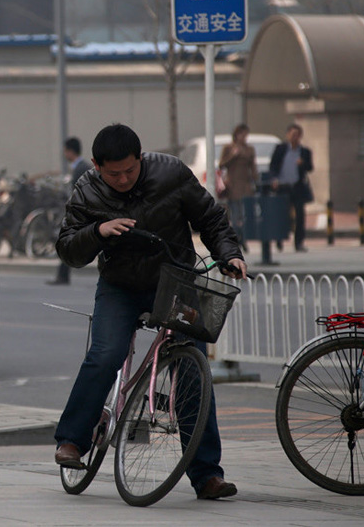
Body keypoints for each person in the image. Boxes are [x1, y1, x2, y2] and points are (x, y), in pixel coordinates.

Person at [52, 124, 247, 500]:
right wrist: (98, 231)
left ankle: (207, 475)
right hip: (120, 288)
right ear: (96, 166)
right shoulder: (87, 189)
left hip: (176, 285)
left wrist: (230, 254)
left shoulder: (171, 172)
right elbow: (68, 250)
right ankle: (72, 442)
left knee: (192, 370)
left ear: (141, 158)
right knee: (105, 354)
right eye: (113, 173)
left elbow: (211, 218)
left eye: (130, 170)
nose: (123, 179)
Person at [46, 137, 92, 286]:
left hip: (82, 213)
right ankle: (63, 275)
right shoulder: (80, 167)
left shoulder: (81, 168)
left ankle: (63, 276)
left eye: (65, 151)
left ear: (70, 151)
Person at [269, 123, 313, 253]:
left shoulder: (304, 152)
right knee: (282, 215)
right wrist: (274, 179)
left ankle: (299, 242)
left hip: (297, 187)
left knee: (300, 215)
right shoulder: (281, 149)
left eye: (297, 135)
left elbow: (310, 167)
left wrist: (302, 164)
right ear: (288, 135)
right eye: (292, 134)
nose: (294, 137)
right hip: (283, 187)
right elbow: (273, 166)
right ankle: (279, 240)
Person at [218, 123, 258, 251]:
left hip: (245, 185)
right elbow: (221, 164)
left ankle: (243, 239)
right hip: (233, 185)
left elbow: (253, 166)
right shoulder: (229, 148)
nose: (244, 137)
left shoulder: (249, 149)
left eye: (245, 134)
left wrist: (255, 181)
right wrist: (233, 155)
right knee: (235, 216)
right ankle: (237, 240)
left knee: (245, 216)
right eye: (241, 134)